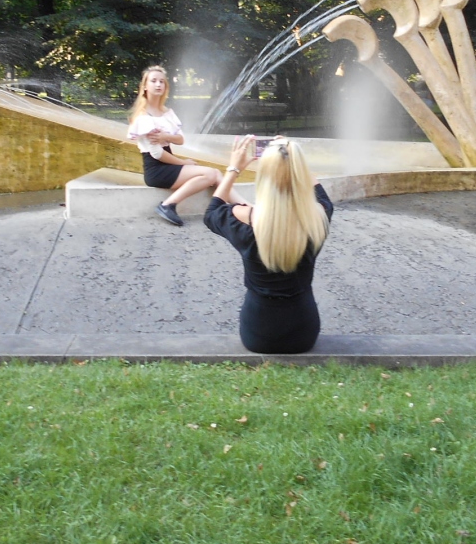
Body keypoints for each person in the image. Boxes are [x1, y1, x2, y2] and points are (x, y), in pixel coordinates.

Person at [203, 135, 332, 354]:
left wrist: (234, 168)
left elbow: (212, 212)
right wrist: (293, 158)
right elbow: (321, 196)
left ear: (263, 176)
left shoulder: (243, 219)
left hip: (258, 334)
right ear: (300, 171)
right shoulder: (319, 218)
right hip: (304, 333)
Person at [128, 65, 221, 226]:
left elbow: (180, 139)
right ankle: (167, 205)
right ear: (145, 86)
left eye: (162, 82)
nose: (158, 84)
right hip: (157, 170)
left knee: (217, 173)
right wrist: (183, 163)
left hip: (168, 165)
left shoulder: (167, 113)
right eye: (153, 81)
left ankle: (238, 206)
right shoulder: (144, 118)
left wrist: (165, 136)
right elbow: (157, 154)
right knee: (210, 174)